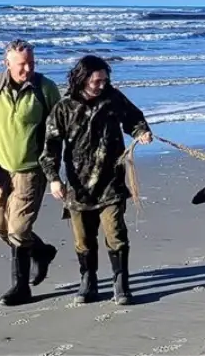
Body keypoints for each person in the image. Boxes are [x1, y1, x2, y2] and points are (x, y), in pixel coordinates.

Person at [40, 54, 153, 305]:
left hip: (111, 181)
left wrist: (142, 131)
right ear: (83, 79)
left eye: (105, 80)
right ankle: (88, 280)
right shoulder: (64, 107)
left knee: (116, 233)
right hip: (78, 187)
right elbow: (50, 146)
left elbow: (133, 118)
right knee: (83, 239)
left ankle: (121, 283)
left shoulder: (113, 98)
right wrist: (54, 179)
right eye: (97, 81)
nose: (102, 85)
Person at [0, 39, 62, 306]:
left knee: (19, 230)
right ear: (7, 63)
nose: (27, 69)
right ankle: (42, 252)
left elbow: (58, 131)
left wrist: (54, 170)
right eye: (22, 64)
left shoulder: (45, 89)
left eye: (31, 63)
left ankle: (20, 288)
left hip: (31, 170)